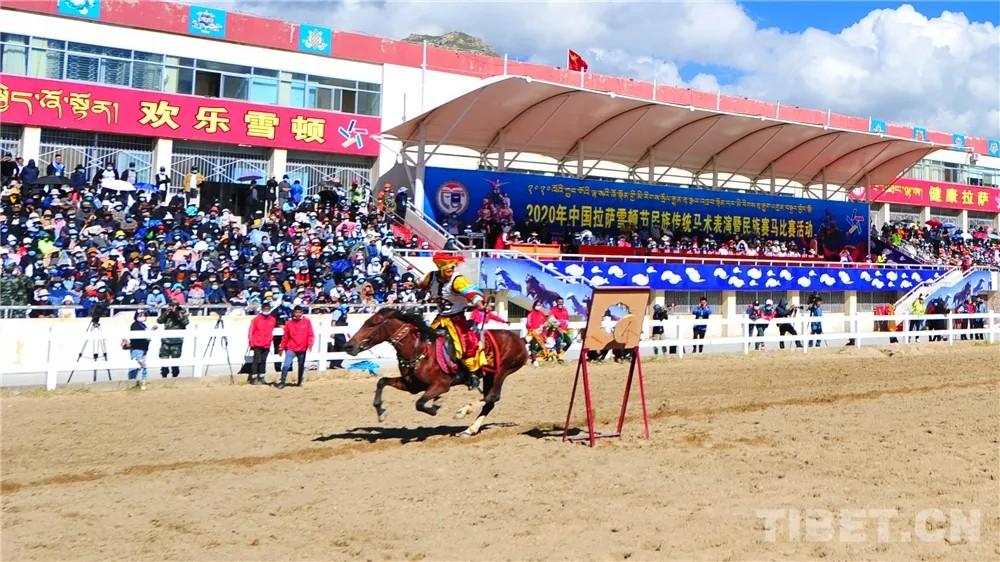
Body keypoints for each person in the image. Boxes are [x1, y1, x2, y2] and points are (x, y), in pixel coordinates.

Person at [418, 252, 485, 386]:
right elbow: (423, 285)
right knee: (425, 341)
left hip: (457, 319)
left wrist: (478, 302)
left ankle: (472, 373)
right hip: (440, 318)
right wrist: (416, 286)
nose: (451, 271)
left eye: (453, 268)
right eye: (448, 270)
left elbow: (470, 292)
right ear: (441, 269)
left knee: (466, 344)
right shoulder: (431, 277)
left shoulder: (458, 280)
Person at [278, 305, 314, 389]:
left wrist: (310, 344)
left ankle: (299, 381)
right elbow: (285, 337)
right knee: (286, 365)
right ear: (294, 313)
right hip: (291, 347)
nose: (298, 314)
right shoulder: (289, 323)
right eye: (296, 312)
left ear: (302, 313)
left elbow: (310, 334)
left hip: (302, 348)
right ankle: (282, 381)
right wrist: (281, 348)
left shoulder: (307, 322)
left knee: (301, 365)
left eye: (299, 312)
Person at [156, 302, 189, 377]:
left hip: (176, 341)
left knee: (175, 361)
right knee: (164, 361)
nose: (172, 307)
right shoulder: (167, 313)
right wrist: (166, 313)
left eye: (174, 306)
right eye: (170, 305)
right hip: (166, 341)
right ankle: (164, 375)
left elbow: (185, 322)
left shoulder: (182, 312)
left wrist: (177, 313)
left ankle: (175, 377)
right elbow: (159, 321)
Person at [247, 301, 277, 385]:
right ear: (262, 309)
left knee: (263, 360)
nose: (266, 310)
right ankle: (254, 378)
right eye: (265, 309)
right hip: (257, 343)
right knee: (256, 360)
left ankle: (262, 377)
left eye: (268, 309)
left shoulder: (272, 319)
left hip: (266, 343)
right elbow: (251, 331)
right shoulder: (256, 319)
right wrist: (251, 342)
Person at [126, 310, 152, 389]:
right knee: (135, 366)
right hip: (137, 348)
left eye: (144, 315)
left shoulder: (143, 325)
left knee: (143, 365)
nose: (143, 317)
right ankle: (132, 382)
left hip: (143, 348)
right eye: (140, 315)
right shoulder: (135, 325)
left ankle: (143, 382)